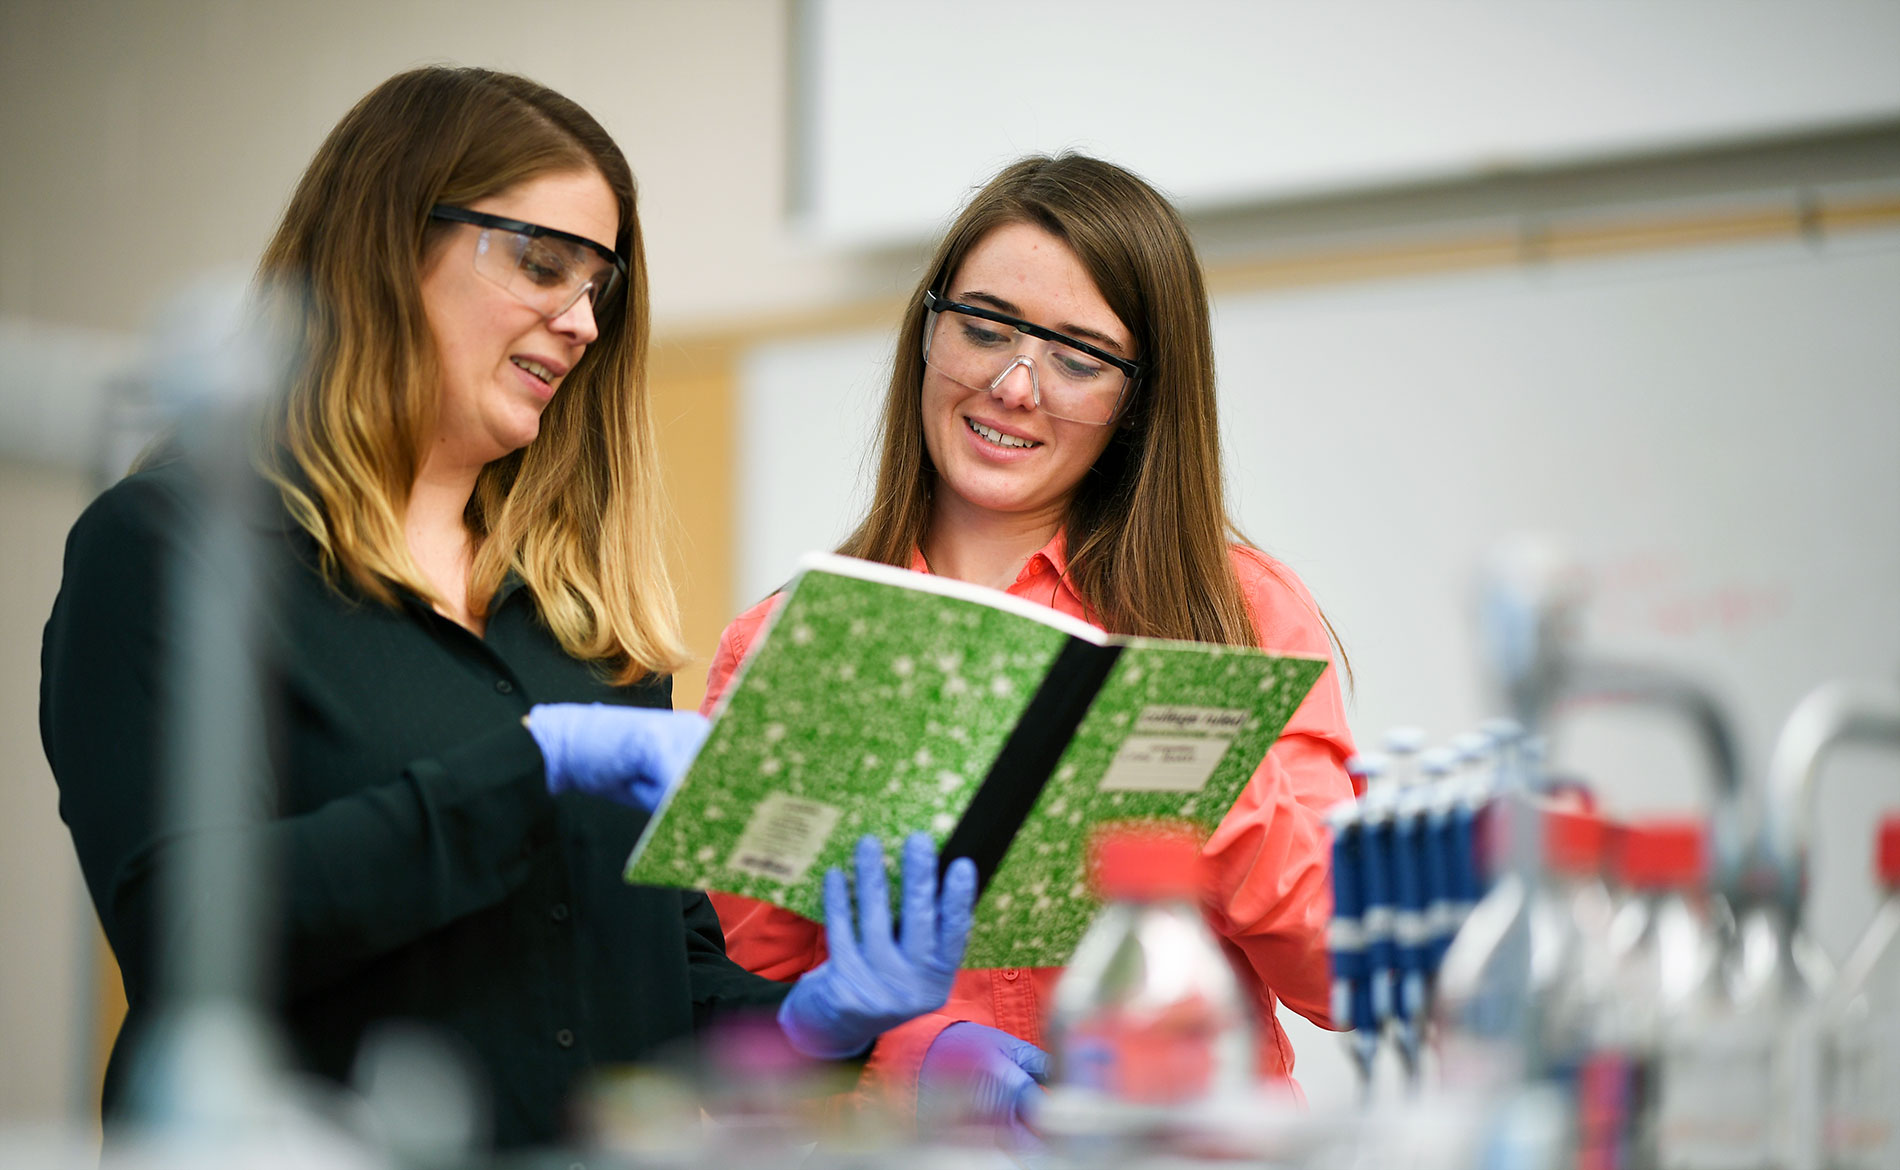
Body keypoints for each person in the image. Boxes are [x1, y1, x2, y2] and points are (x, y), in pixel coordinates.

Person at [40, 66, 977, 1151]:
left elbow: (653, 994)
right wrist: (527, 768)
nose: (581, 322)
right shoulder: (173, 548)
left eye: (600, 286)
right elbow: (189, 934)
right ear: (390, 242)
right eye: (542, 264)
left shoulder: (583, 623)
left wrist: (821, 1018)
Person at [704, 154, 1358, 1129]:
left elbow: (1346, 973)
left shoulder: (1240, 609)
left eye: (1078, 358)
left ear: (1138, 396)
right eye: (983, 327)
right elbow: (741, 1023)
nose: (1015, 386)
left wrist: (1194, 775)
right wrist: (907, 1055)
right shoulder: (792, 640)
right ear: (927, 331)